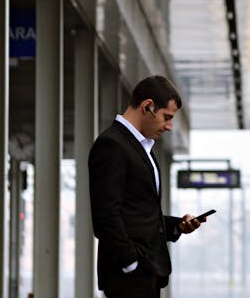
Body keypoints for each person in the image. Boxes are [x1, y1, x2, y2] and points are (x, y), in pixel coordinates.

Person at [89, 75, 207, 297]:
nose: (170, 127)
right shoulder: (111, 145)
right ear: (148, 106)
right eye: (167, 117)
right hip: (128, 277)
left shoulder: (143, 148)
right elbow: (105, 216)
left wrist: (176, 226)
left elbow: (136, 213)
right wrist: (131, 263)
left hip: (146, 275)